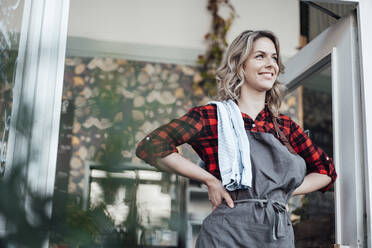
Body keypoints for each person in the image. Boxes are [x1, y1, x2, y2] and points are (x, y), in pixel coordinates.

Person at [135, 30, 337, 247]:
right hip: (225, 236)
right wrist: (209, 180)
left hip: (277, 236)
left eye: (274, 58)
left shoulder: (285, 127)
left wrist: (282, 191)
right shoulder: (213, 117)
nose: (271, 64)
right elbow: (151, 145)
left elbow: (326, 171)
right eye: (260, 56)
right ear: (240, 65)